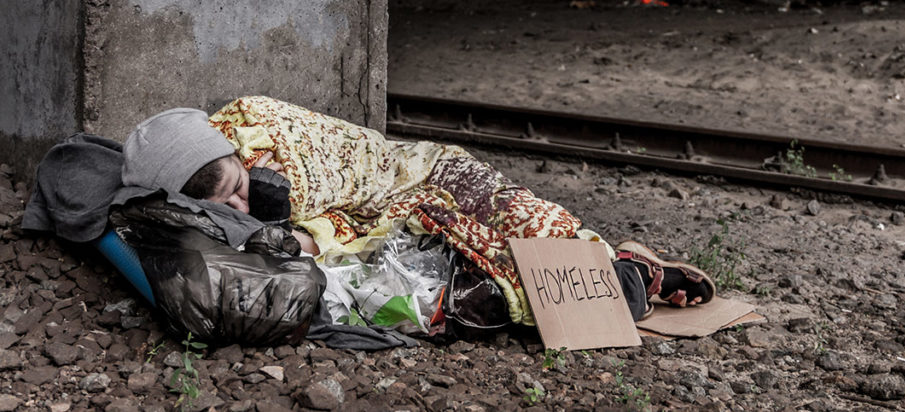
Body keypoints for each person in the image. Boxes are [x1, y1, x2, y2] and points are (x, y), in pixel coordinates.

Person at [121, 97, 715, 327]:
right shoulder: (207, 189)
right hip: (393, 215)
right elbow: (351, 223)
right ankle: (602, 286)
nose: (237, 206)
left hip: (422, 169)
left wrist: (305, 236)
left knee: (521, 214)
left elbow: (350, 182)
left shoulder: (261, 123)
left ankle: (612, 261)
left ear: (230, 148)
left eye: (234, 186)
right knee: (473, 253)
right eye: (219, 206)